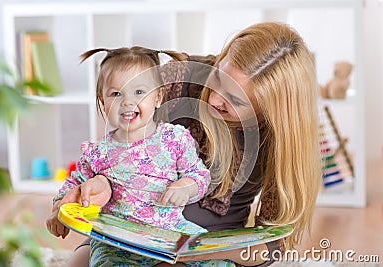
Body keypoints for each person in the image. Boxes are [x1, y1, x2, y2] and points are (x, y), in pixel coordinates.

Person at [50, 22, 322, 266]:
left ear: (270, 113)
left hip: (209, 248)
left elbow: (271, 242)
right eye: (218, 78)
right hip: (130, 227)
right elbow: (118, 145)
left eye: (236, 101)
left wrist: (195, 251)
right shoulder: (176, 79)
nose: (215, 100)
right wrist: (97, 188)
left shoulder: (280, 140)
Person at [46, 46, 212, 266]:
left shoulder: (175, 138)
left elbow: (200, 175)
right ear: (102, 101)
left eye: (139, 92)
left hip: (168, 233)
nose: (127, 101)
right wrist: (58, 210)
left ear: (158, 97)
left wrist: (186, 186)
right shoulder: (99, 153)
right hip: (116, 241)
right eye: (116, 94)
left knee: (214, 256)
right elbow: (72, 187)